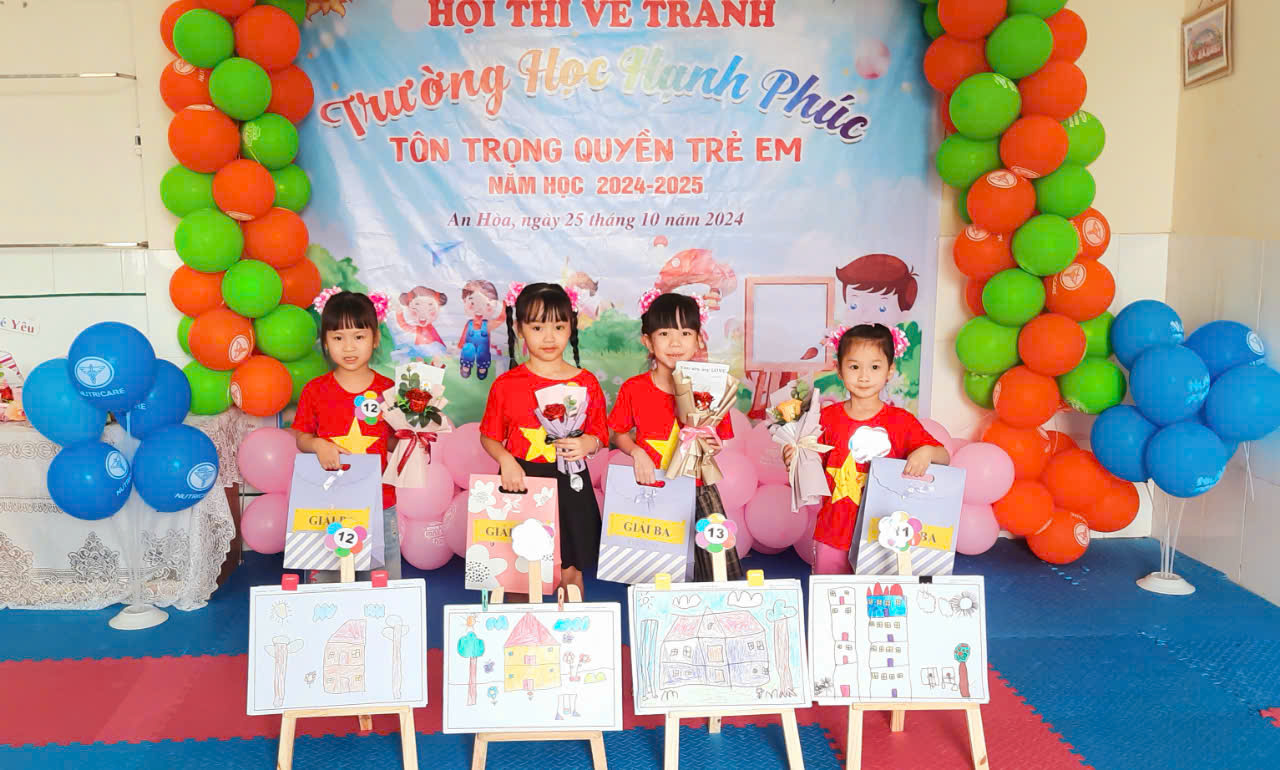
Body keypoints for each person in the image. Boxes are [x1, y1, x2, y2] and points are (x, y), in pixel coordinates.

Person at [785, 323, 949, 575]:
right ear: (839, 370)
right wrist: (793, 457)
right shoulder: (824, 418)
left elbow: (944, 457)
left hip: (885, 534)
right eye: (854, 367)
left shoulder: (901, 421)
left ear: (890, 370)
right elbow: (808, 466)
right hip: (833, 531)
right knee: (832, 594)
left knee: (880, 596)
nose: (864, 376)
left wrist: (926, 451)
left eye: (874, 367)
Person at [479, 282, 607, 597]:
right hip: (520, 481)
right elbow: (489, 436)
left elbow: (601, 435)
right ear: (519, 328)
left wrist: (587, 444)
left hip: (570, 484)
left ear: (571, 327)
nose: (549, 338)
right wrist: (506, 460)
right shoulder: (506, 384)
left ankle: (571, 628)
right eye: (537, 327)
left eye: (559, 327)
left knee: (570, 575)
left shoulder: (586, 382)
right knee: (518, 574)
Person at [609, 291, 742, 581]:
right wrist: (637, 452)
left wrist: (713, 445)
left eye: (685, 333)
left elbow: (721, 439)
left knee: (719, 570)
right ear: (648, 341)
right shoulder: (634, 388)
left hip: (699, 487)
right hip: (652, 489)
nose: (675, 343)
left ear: (698, 340)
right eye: (664, 333)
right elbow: (618, 434)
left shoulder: (711, 386)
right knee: (653, 576)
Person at [291, 289, 401, 581]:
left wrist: (415, 435)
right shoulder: (315, 390)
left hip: (380, 502)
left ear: (375, 339)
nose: (349, 347)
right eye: (338, 337)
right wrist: (317, 444)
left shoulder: (389, 390)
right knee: (326, 586)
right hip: (328, 503)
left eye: (359, 336)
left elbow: (391, 440)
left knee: (382, 587)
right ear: (325, 342)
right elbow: (301, 437)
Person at [458, 279, 501, 380]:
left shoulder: (487, 324)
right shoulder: (469, 324)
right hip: (470, 344)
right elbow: (464, 335)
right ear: (465, 301)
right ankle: (466, 365)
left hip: (483, 345)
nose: (479, 309)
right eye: (473, 303)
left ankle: (482, 367)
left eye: (486, 304)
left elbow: (490, 336)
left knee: (483, 350)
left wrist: (492, 346)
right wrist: (460, 345)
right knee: (468, 348)